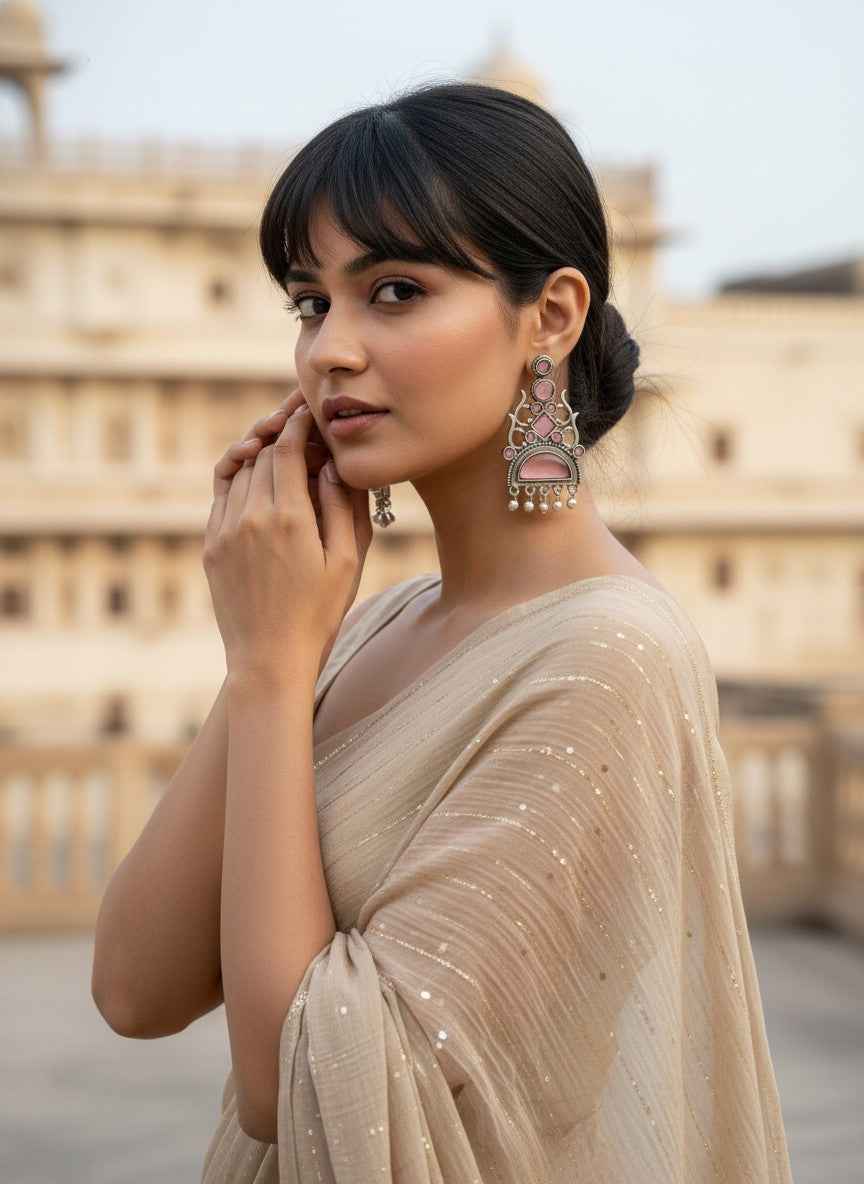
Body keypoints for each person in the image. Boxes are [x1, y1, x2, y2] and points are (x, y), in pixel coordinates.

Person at [91, 83, 793, 1183]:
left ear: (552, 316)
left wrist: (277, 672)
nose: (329, 351)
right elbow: (135, 986)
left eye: (397, 290)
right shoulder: (368, 624)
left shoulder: (608, 656)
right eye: (310, 303)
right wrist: (267, 653)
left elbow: (303, 1094)